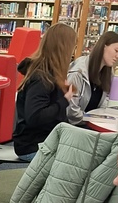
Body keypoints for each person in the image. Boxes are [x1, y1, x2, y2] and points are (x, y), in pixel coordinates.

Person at [12, 22, 77, 160]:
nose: (73, 52)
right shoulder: (41, 78)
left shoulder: (51, 74)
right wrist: (64, 100)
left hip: (45, 140)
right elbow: (35, 117)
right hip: (34, 145)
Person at [65, 30, 118, 122]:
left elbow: (106, 100)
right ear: (104, 47)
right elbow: (70, 109)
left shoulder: (108, 72)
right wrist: (91, 118)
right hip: (74, 125)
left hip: (92, 122)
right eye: (116, 50)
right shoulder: (78, 72)